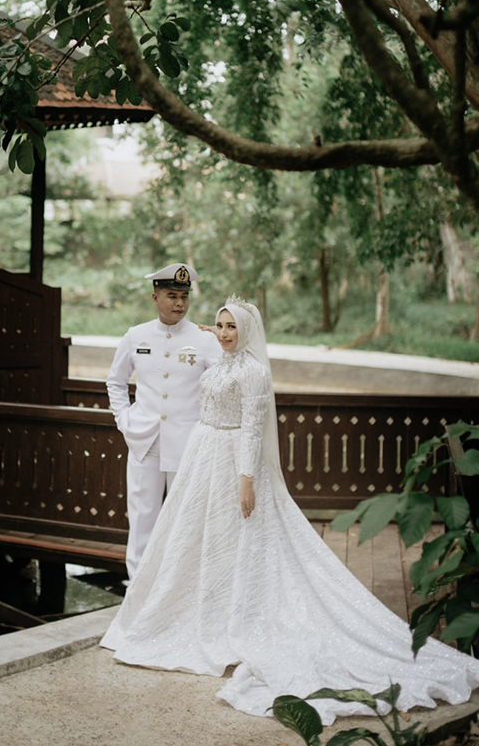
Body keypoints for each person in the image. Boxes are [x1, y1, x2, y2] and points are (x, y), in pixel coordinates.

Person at [102, 296, 479, 724]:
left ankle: (236, 618)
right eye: (220, 326)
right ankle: (199, 610)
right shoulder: (221, 358)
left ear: (248, 331)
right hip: (203, 456)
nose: (224, 333)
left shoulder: (253, 372)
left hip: (232, 461)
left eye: (232, 327)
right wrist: (213, 331)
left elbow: (252, 427)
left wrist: (246, 477)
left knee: (238, 537)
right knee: (199, 539)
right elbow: (203, 357)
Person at [106, 263, 221, 578]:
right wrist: (124, 419)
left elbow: (225, 384)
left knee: (186, 518)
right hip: (145, 440)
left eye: (184, 296)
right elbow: (115, 382)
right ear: (155, 297)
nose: (180, 303)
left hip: (187, 443)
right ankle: (138, 586)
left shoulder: (204, 339)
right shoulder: (136, 336)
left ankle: (179, 586)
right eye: (172, 296)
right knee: (142, 516)